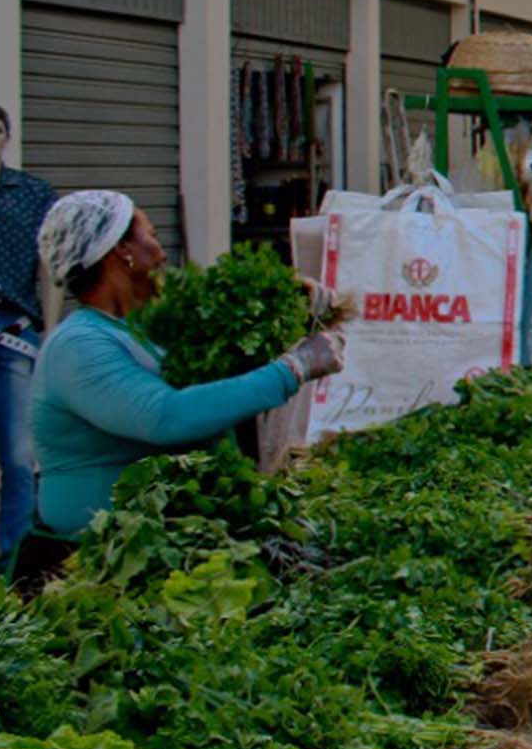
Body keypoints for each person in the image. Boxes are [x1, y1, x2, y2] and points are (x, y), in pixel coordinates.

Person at [27, 192, 345, 545]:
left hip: (171, 524)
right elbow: (167, 416)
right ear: (122, 252)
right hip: (105, 540)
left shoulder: (145, 328)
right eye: (152, 236)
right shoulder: (77, 346)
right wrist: (292, 369)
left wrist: (286, 309)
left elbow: (216, 384)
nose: (163, 254)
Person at [0, 104, 56, 565]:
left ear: (7, 138)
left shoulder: (33, 195)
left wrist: (48, 330)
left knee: (17, 453)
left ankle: (16, 559)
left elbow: (50, 269)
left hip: (14, 331)